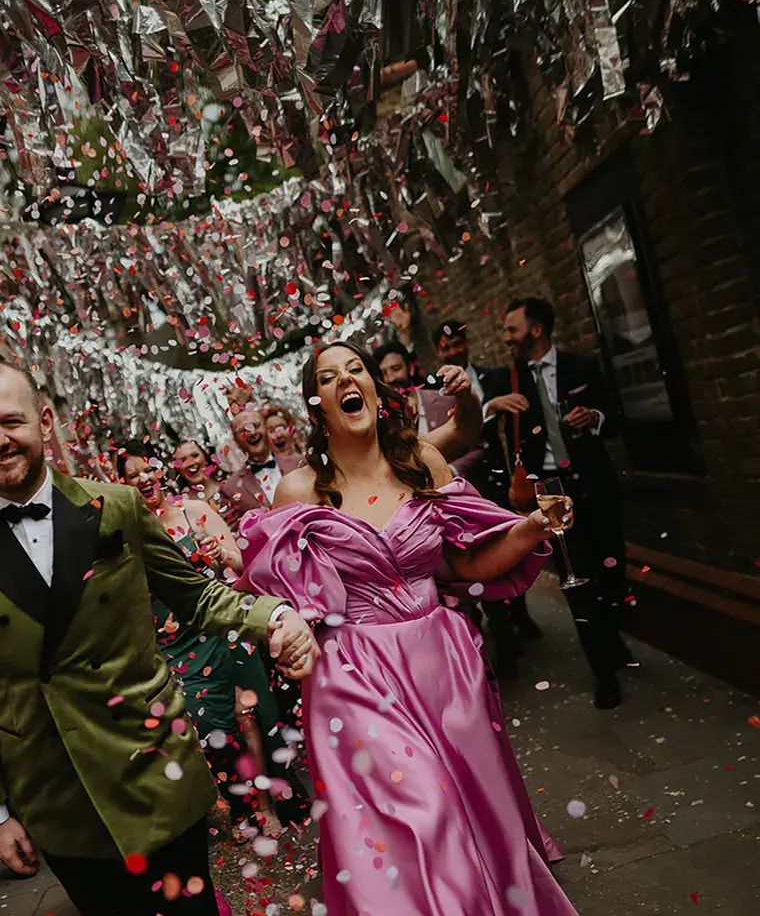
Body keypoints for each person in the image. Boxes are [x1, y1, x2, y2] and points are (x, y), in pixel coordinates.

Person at [0, 361, 315, 916]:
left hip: (152, 763)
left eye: (12, 421)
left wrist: (273, 615)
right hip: (57, 791)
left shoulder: (117, 507)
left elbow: (197, 597)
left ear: (44, 421)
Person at [234, 342, 579, 916]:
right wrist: (289, 631)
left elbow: (465, 564)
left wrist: (530, 528)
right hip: (354, 676)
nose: (347, 380)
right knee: (421, 813)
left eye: (356, 369)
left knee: (471, 808)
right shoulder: (299, 491)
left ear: (374, 388)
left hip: (444, 664)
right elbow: (285, 597)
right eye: (329, 377)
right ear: (317, 404)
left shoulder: (421, 462)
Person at [118, 442, 305, 841]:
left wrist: (220, 554)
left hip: (224, 629)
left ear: (161, 471)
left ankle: (266, 804)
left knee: (250, 716)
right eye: (132, 475)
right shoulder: (128, 534)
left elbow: (240, 563)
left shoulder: (195, 511)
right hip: (176, 644)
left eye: (148, 469)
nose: (144, 479)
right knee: (209, 728)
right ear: (123, 484)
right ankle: (240, 806)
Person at [483, 297, 632, 709]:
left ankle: (612, 639)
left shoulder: (581, 367)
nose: (506, 337)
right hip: (550, 491)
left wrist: (595, 418)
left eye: (512, 329)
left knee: (612, 573)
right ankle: (604, 674)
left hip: (594, 484)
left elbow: (615, 417)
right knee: (576, 579)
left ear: (536, 330)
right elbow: (472, 412)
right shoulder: (507, 379)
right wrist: (492, 405)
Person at [431, 318, 545, 678]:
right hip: (456, 491)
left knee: (511, 548)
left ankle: (520, 614)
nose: (453, 351)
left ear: (466, 343)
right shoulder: (432, 390)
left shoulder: (495, 377)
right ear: (438, 352)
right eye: (446, 348)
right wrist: (489, 407)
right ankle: (503, 638)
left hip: (494, 481)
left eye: (457, 344)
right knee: (477, 560)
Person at [373, 340, 487, 479]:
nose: (390, 378)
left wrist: (451, 471)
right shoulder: (382, 422)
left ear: (410, 368)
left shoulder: (444, 400)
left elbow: (479, 447)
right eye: (383, 374)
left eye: (396, 369)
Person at [218, 408, 307, 529]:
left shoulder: (301, 463)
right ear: (235, 440)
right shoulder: (230, 488)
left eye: (256, 425)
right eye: (243, 430)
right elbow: (233, 533)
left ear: (265, 428)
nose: (252, 433)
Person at [172, 439, 224, 509]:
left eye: (195, 455)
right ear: (178, 470)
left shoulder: (228, 485)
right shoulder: (183, 507)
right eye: (183, 460)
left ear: (205, 457)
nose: (191, 463)